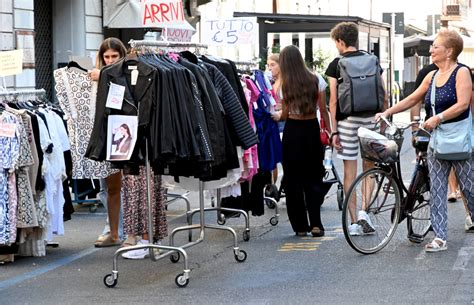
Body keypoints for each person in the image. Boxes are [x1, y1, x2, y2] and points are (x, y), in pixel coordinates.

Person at [376, 29, 474, 252]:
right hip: (437, 140)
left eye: (435, 46)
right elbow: (413, 98)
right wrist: (387, 112)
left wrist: (437, 117)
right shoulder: (431, 76)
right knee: (438, 188)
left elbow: (463, 104)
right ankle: (440, 237)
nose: (431, 50)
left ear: (449, 51)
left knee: (469, 189)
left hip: (458, 138)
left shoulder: (461, 73)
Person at [325, 22, 388, 236]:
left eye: (336, 43)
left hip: (347, 123)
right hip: (370, 119)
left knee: (349, 172)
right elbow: (383, 92)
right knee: (369, 169)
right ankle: (364, 212)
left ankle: (353, 223)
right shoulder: (372, 60)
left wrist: (334, 131)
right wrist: (382, 119)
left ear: (341, 41)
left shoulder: (336, 64)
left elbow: (333, 101)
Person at [271, 45, 331, 237]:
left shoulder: (285, 85)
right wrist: (328, 131)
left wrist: (276, 115)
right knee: (313, 178)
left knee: (293, 180)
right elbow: (323, 109)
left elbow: (286, 114)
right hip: (312, 131)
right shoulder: (316, 79)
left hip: (293, 133)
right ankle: (316, 224)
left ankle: (300, 226)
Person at [88, 37, 127, 247]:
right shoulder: (96, 76)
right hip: (102, 137)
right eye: (106, 57)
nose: (110, 60)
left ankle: (117, 230)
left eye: (114, 56)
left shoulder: (125, 75)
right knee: (106, 188)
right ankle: (113, 229)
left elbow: (122, 99)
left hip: (120, 137)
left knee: (117, 187)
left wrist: (102, 76)